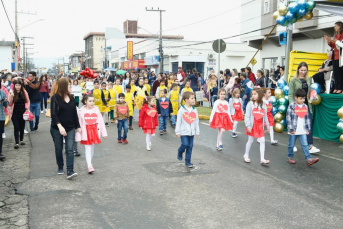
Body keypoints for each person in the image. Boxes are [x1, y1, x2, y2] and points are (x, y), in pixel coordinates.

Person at [50, 78, 81, 179]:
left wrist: (78, 126)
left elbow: (74, 113)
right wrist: (60, 127)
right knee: (59, 148)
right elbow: (54, 114)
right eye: (69, 86)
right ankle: (60, 166)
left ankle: (70, 171)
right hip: (56, 128)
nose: (71, 87)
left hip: (70, 127)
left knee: (69, 149)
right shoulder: (55, 98)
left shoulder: (71, 97)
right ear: (64, 87)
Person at [288, 62, 320, 154]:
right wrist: (292, 106)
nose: (303, 72)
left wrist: (313, 97)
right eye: (301, 70)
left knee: (308, 125)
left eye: (305, 70)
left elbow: (311, 92)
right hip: (296, 105)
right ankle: (292, 144)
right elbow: (290, 94)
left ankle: (310, 146)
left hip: (306, 106)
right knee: (295, 125)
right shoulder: (293, 80)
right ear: (298, 69)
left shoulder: (309, 79)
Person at [286, 89, 320, 166]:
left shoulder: (305, 106)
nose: (302, 100)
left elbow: (307, 118)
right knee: (291, 144)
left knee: (305, 144)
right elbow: (288, 118)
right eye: (300, 98)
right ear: (296, 98)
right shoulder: (292, 106)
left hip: (303, 129)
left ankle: (308, 159)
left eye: (304, 98)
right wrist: (291, 129)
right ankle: (290, 156)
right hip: (294, 130)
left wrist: (308, 129)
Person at [76, 94, 107, 174]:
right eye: (90, 101)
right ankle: (89, 165)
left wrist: (104, 133)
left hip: (94, 131)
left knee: (92, 148)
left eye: (93, 101)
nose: (92, 103)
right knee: (88, 148)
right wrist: (78, 131)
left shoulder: (96, 110)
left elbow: (101, 122)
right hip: (86, 131)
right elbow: (79, 122)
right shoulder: (81, 111)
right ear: (85, 101)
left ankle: (90, 162)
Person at [243, 88, 270, 164]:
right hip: (252, 125)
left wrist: (267, 125)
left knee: (262, 140)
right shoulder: (250, 104)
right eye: (252, 94)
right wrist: (248, 126)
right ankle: (246, 155)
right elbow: (247, 116)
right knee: (250, 140)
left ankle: (262, 159)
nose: (253, 96)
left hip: (260, 126)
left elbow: (265, 116)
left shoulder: (263, 104)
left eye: (255, 94)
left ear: (260, 95)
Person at [175, 91, 200, 168]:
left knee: (190, 146)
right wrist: (177, 132)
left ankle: (188, 161)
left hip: (191, 133)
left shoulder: (194, 110)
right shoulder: (181, 110)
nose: (193, 100)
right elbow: (178, 121)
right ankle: (180, 151)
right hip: (183, 132)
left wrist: (197, 131)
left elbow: (196, 121)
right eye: (192, 98)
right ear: (186, 100)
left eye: (194, 98)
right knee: (185, 144)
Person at [8, 80, 30, 149]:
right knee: (16, 127)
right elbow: (9, 104)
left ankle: (21, 140)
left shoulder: (24, 92)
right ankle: (16, 142)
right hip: (14, 112)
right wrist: (11, 97)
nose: (18, 87)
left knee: (21, 127)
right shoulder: (11, 92)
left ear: (21, 86)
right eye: (16, 85)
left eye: (19, 85)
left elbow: (27, 101)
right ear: (14, 86)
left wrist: (27, 108)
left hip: (23, 112)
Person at [324, 21, 343, 93]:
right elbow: (333, 45)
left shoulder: (342, 35)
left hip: (340, 56)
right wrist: (328, 41)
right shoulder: (336, 35)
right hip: (334, 55)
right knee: (335, 72)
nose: (334, 27)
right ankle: (336, 87)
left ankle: (340, 88)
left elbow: (339, 44)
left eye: (336, 26)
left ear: (340, 27)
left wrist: (336, 41)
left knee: (339, 72)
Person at [0, 87, 8, 160]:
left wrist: (5, 101)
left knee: (0, 136)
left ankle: (0, 152)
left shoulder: (2, 92)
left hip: (1, 116)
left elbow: (6, 104)